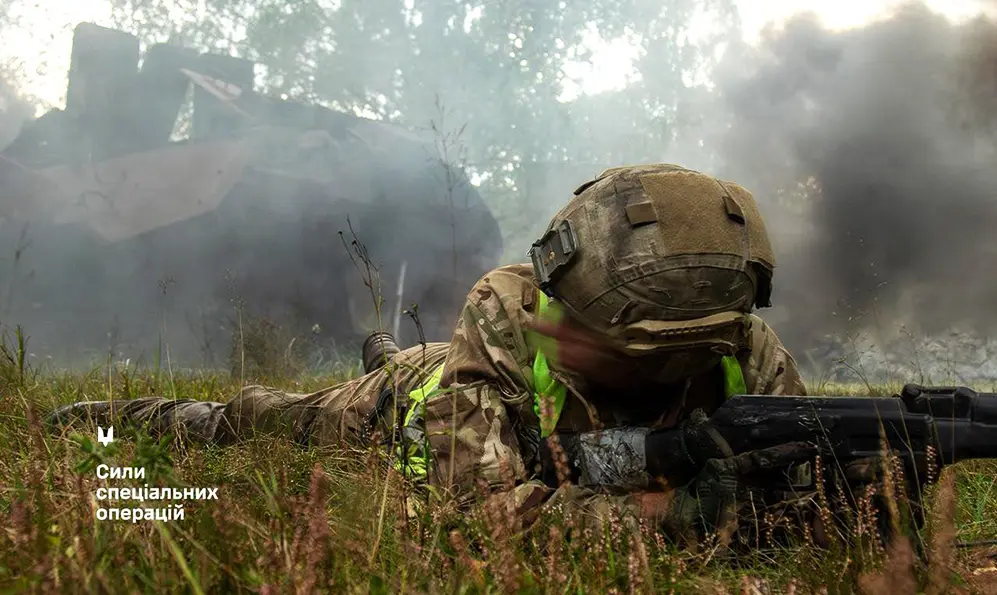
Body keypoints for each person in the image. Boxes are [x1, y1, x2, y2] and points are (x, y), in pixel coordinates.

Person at [47, 163, 812, 543]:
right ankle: (129, 413)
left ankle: (381, 347)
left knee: (396, 353)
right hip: (418, 399)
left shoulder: (742, 350)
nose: (552, 321)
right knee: (260, 418)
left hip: (472, 395)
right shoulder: (508, 310)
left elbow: (814, 499)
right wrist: (676, 512)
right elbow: (476, 516)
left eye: (579, 325)